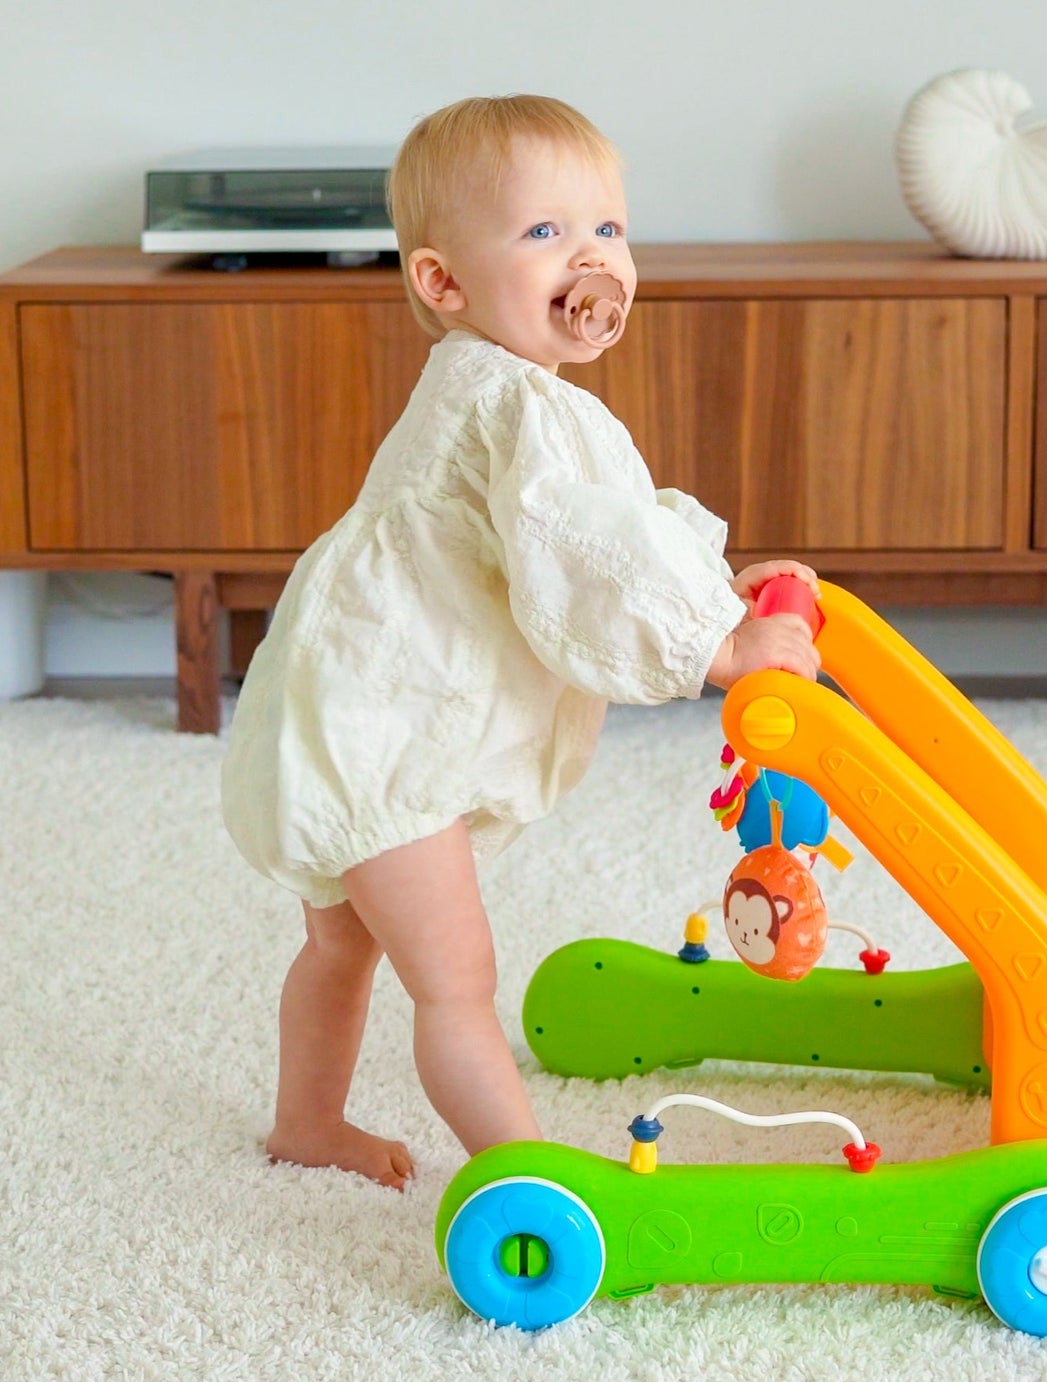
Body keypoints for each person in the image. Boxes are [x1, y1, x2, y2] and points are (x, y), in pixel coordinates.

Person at [220, 94, 820, 1190]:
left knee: (340, 944)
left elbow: (613, 535)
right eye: (545, 233)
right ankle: (534, 1178)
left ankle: (305, 1120)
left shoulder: (485, 383)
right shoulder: (523, 406)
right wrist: (720, 646)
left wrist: (711, 593)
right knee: (455, 980)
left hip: (345, 699)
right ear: (442, 283)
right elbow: (589, 550)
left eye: (609, 230)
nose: (590, 258)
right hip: (388, 734)